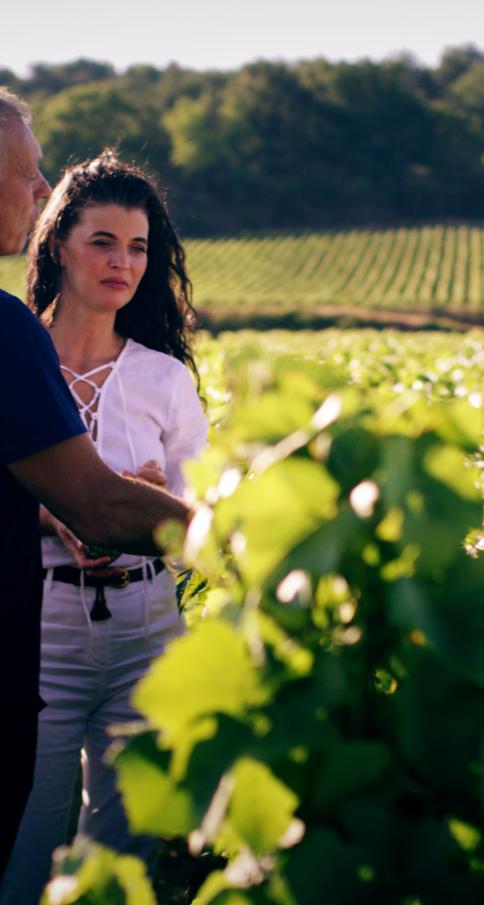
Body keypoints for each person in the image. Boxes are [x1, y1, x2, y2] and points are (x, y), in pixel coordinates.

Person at [0, 150, 209, 904]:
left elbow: (193, 505)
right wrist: (63, 506)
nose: (123, 262)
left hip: (146, 623)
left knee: (125, 847)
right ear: (57, 242)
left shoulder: (165, 377)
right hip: (38, 620)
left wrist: (149, 502)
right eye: (102, 241)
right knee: (25, 833)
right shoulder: (16, 353)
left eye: (139, 247)